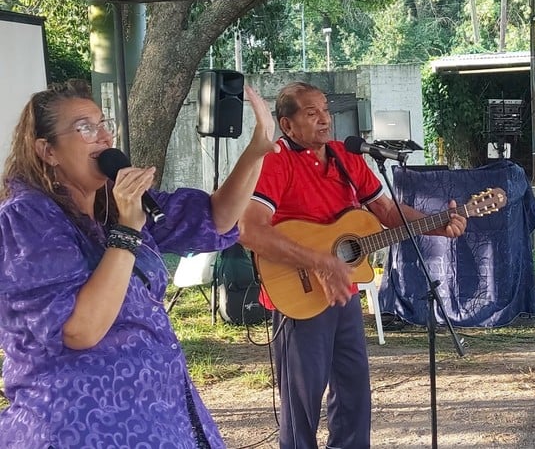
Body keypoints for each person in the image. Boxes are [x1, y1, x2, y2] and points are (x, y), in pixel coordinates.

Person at [0, 79, 278, 448]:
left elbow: (218, 218)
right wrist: (128, 231)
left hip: (158, 415)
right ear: (47, 151)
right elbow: (80, 329)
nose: (103, 136)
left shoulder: (115, 207)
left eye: (104, 124)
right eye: (85, 128)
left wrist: (256, 151)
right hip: (79, 427)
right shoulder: (24, 220)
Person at [238, 81, 467, 449]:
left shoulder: (347, 159)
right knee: (303, 403)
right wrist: (319, 261)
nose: (325, 120)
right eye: (311, 113)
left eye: (325, 110)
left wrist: (435, 223)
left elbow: (387, 211)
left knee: (354, 391)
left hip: (342, 292)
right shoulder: (274, 162)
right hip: (298, 295)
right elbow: (249, 230)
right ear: (287, 124)